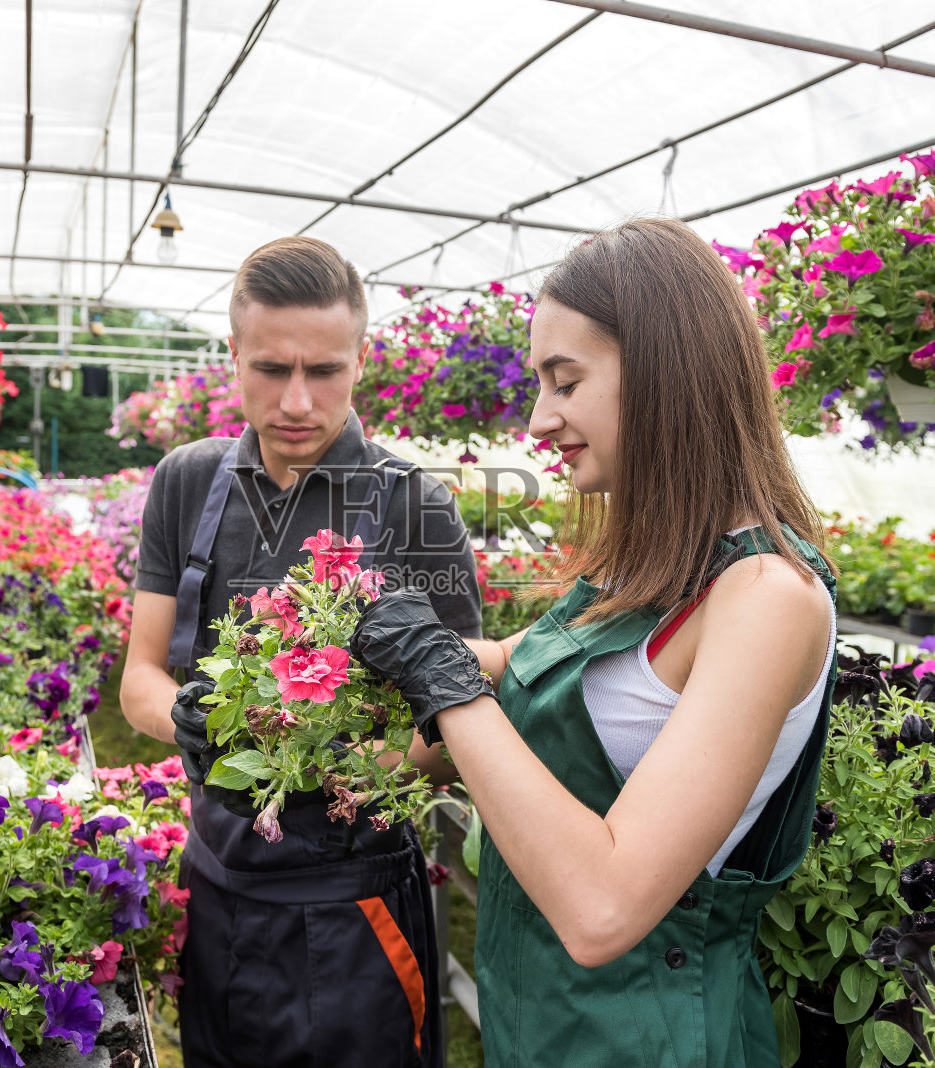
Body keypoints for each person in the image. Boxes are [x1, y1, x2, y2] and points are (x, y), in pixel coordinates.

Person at [348, 218, 839, 1067]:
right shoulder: (651, 563)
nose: (540, 419)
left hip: (646, 1034)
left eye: (565, 382)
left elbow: (603, 909)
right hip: (547, 1021)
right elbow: (520, 672)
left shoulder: (764, 598)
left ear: (663, 374)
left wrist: (441, 677)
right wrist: (303, 718)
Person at [120, 236, 481, 1068]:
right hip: (214, 888)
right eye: (270, 368)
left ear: (361, 361)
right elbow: (142, 672)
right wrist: (189, 722)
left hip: (354, 909)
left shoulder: (414, 504)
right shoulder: (187, 481)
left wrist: (341, 767)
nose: (296, 400)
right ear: (233, 357)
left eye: (325, 371)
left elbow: (465, 720)